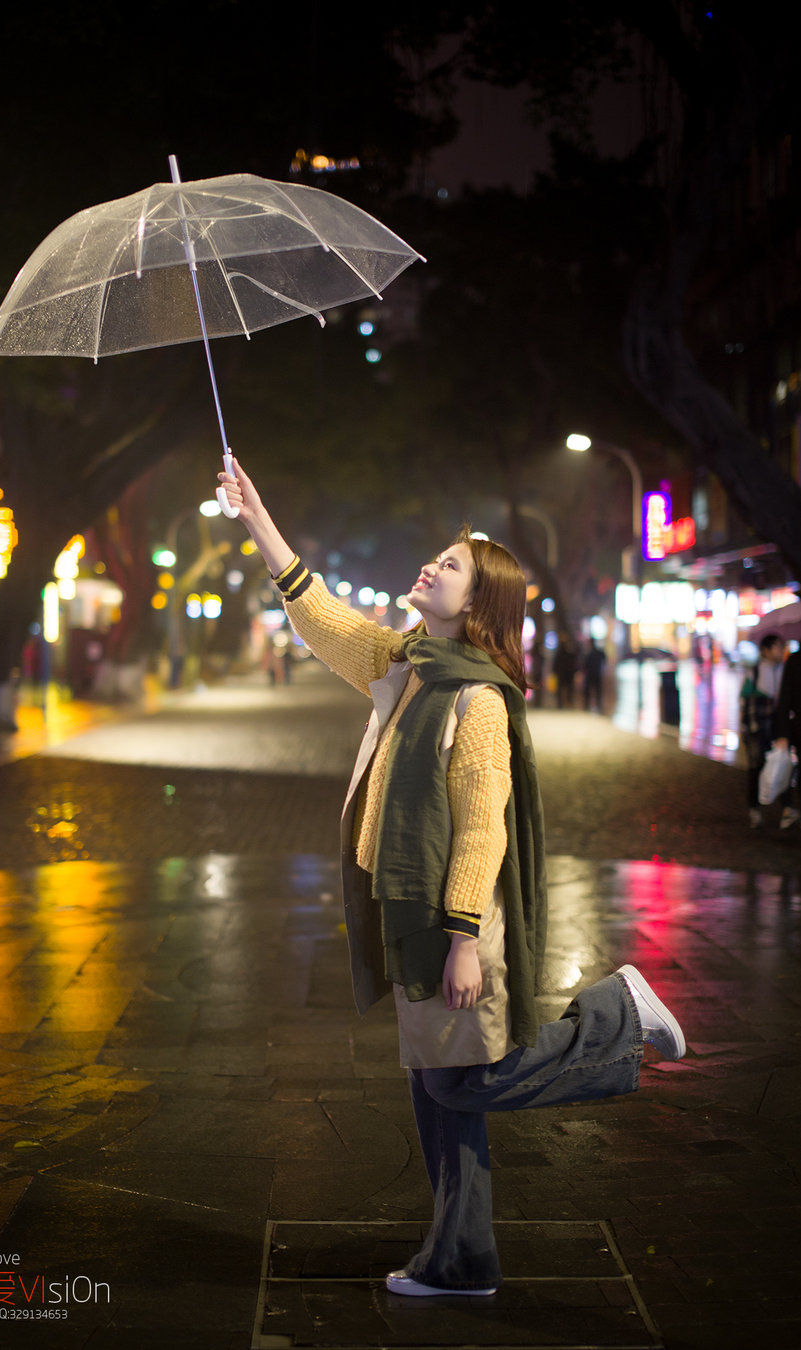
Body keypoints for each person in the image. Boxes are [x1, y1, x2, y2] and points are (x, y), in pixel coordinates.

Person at [218, 458, 686, 1297]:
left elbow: (481, 829)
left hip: (450, 918)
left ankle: (618, 1013)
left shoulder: (478, 704)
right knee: (441, 1090)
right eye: (438, 555)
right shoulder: (407, 662)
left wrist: (465, 938)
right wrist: (255, 514)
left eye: (453, 565)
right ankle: (462, 1258)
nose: (432, 565)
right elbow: (318, 612)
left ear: (477, 605)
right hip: (413, 913)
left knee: (465, 1078)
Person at [740, 633, 789, 828]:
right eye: (777, 647)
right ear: (766, 650)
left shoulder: (784, 670)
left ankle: (787, 807)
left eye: (782, 646)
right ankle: (755, 808)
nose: (780, 650)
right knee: (757, 766)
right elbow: (745, 701)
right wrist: (747, 729)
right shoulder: (755, 672)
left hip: (777, 726)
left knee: (782, 763)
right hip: (757, 728)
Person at [773, 643, 801, 831]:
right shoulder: (795, 660)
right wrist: (782, 733)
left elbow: (784, 699)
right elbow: (785, 698)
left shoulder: (795, 660)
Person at [582, 638, 606, 713]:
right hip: (595, 673)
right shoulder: (597, 652)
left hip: (592, 674)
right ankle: (597, 705)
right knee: (596, 690)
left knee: (591, 690)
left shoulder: (589, 653)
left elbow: (585, 664)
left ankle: (589, 705)